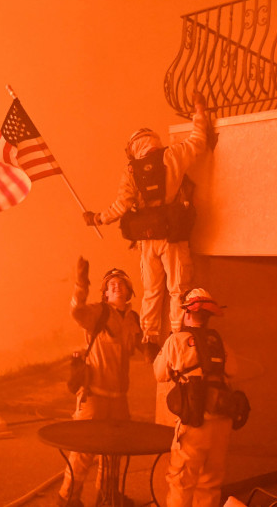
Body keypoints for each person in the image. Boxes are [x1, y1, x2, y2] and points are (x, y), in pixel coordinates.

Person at [83, 92, 211, 359]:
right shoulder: (174, 154)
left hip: (146, 240)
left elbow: (119, 207)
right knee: (178, 288)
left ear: (133, 148)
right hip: (173, 236)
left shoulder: (131, 171)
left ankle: (150, 338)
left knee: (152, 290)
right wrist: (199, 110)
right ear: (154, 141)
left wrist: (97, 218)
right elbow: (199, 141)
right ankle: (177, 335)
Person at [58, 257, 142, 507]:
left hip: (118, 399)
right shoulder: (98, 312)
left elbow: (139, 346)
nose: (116, 286)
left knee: (113, 452)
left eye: (121, 283)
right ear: (105, 294)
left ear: (129, 292)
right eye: (111, 284)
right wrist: (81, 283)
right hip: (93, 395)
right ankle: (67, 499)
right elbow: (76, 311)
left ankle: (107, 498)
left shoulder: (132, 319)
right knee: (84, 450)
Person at [153, 288, 236, 507]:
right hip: (221, 424)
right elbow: (234, 371)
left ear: (186, 313)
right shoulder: (220, 342)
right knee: (210, 483)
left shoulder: (176, 341)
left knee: (182, 482)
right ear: (208, 315)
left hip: (195, 423)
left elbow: (160, 374)